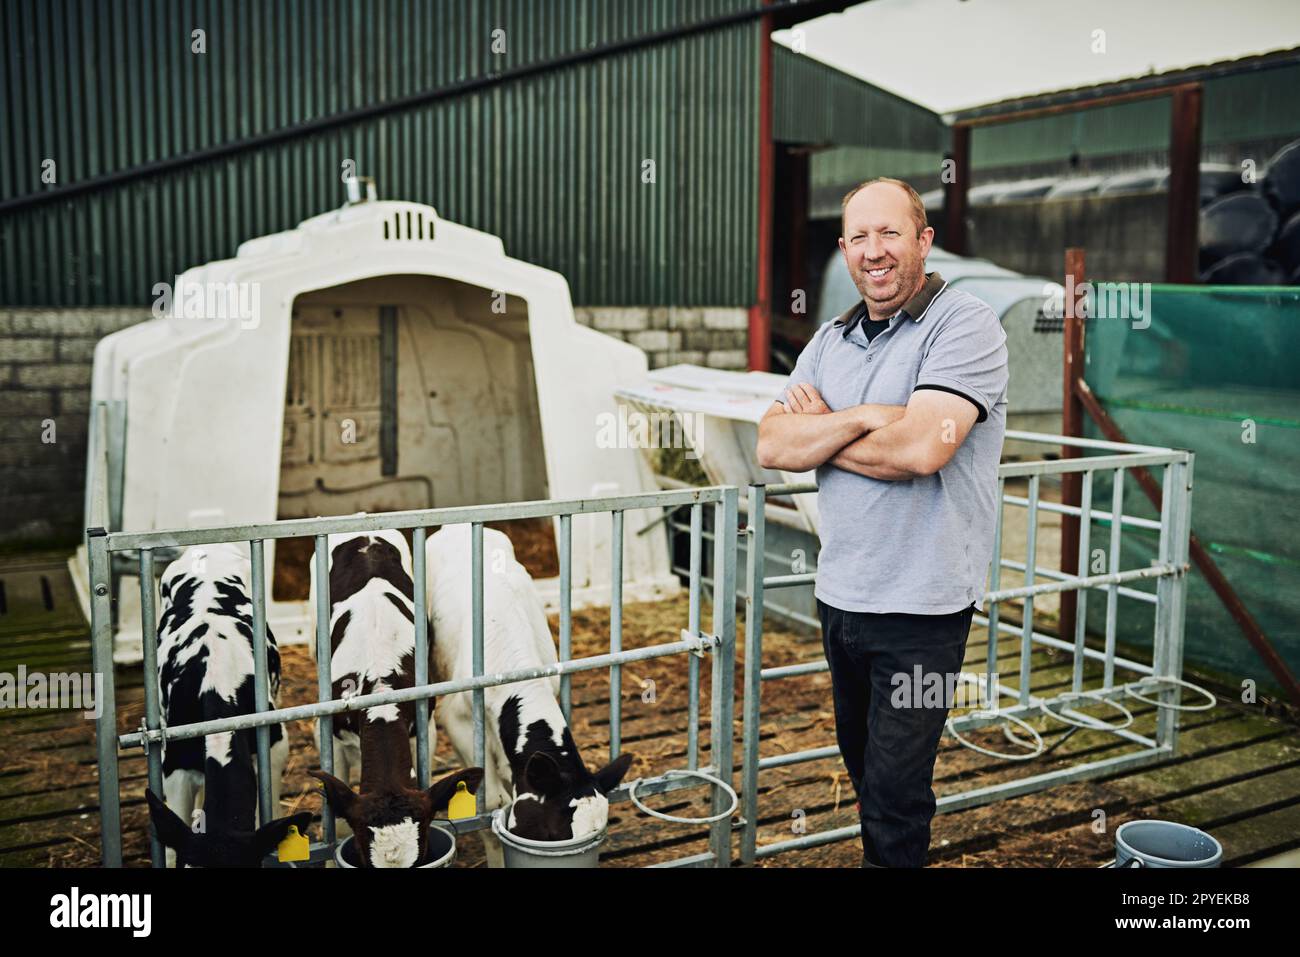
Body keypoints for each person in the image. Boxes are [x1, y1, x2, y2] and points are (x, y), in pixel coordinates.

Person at [755, 177, 1008, 867]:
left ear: (924, 240)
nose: (875, 251)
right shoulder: (831, 340)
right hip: (842, 600)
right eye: (859, 237)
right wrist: (872, 417)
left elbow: (925, 447)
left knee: (896, 801)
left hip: (922, 611)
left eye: (891, 233)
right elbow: (773, 445)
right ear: (844, 249)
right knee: (869, 782)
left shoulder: (965, 322)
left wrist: (827, 429)